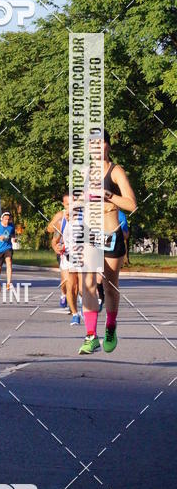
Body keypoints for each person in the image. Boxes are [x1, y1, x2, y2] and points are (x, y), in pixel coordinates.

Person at [78, 131, 136, 355]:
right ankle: (91, 336)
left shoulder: (115, 171)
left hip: (111, 235)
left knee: (110, 286)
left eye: (100, 142)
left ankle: (110, 327)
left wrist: (109, 196)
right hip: (90, 234)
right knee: (87, 283)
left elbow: (131, 204)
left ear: (108, 146)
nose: (96, 147)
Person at [50, 200, 81, 326]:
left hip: (83, 258)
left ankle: (85, 308)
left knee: (82, 288)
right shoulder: (61, 223)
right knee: (71, 286)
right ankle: (75, 314)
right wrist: (56, 247)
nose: (68, 215)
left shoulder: (86, 221)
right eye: (67, 212)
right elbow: (54, 241)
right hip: (68, 258)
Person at [46, 195, 70, 309]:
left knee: (76, 279)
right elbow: (49, 228)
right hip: (62, 249)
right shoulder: (60, 215)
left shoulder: (82, 215)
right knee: (65, 279)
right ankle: (63, 294)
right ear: (63, 204)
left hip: (77, 251)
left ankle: (76, 302)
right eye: (68, 204)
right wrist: (57, 225)